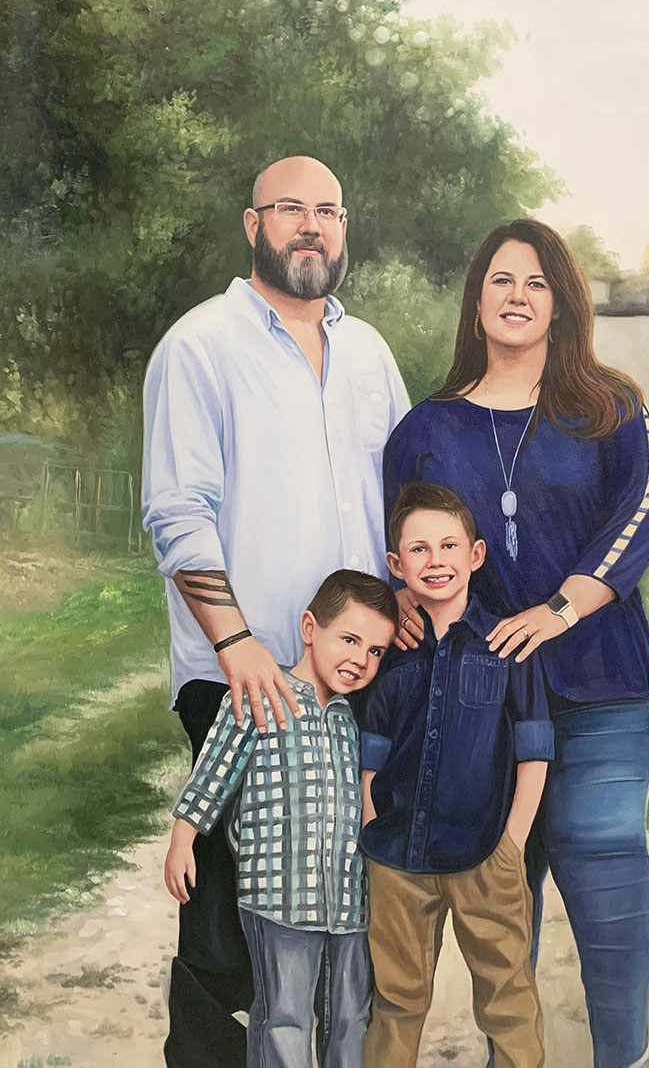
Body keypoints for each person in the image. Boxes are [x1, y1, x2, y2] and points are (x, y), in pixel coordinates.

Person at [382, 219, 649, 1068]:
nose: (517, 296)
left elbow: (645, 513)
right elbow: (405, 545)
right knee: (502, 882)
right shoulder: (424, 429)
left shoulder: (609, 405)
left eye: (537, 283)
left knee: (603, 850)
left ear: (562, 303)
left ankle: (626, 1056)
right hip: (482, 700)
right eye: (502, 281)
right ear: (477, 302)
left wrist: (560, 607)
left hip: (601, 680)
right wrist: (401, 594)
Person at [141, 155, 410, 1068]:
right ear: (251, 223)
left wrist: (405, 603)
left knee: (343, 901)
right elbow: (177, 510)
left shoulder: (369, 352)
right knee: (226, 921)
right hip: (243, 676)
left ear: (344, 228)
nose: (311, 225)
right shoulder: (201, 345)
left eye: (328, 210)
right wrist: (238, 642)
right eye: (290, 208)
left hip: (357, 670)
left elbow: (403, 498)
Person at [164, 569, 398, 1068]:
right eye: (350, 639)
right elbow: (213, 775)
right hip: (277, 897)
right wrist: (183, 838)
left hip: (349, 901)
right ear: (311, 628)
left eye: (375, 651)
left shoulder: (357, 719)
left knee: (353, 1016)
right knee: (284, 1018)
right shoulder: (258, 694)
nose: (360, 659)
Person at [360, 481, 554, 1068]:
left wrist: (512, 844)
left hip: (483, 856)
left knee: (506, 996)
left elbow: (534, 751)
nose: (435, 561)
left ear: (475, 556)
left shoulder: (508, 646)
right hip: (397, 859)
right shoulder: (390, 652)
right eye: (418, 550)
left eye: (448, 546)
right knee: (395, 1000)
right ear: (397, 565)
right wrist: (373, 826)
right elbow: (373, 751)